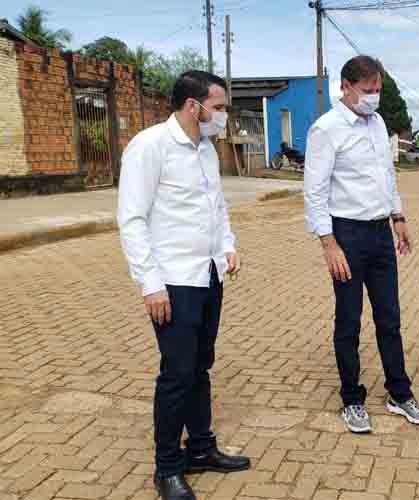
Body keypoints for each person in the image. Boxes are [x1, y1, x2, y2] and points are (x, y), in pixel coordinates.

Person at [118, 70, 250, 500]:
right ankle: (167, 468)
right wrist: (150, 284)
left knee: (200, 367)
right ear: (194, 106)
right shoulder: (150, 146)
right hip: (172, 281)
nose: (224, 115)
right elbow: (132, 220)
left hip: (208, 275)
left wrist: (226, 246)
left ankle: (201, 448)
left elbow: (217, 207)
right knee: (176, 374)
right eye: (219, 107)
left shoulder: (206, 150)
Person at [304, 55, 419, 434]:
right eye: (367, 91)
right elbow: (314, 192)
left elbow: (387, 176)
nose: (373, 98)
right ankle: (352, 399)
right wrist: (329, 244)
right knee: (349, 320)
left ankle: (399, 392)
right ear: (344, 86)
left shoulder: (378, 124)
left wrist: (399, 217)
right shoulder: (326, 130)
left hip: (379, 233)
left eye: (378, 91)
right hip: (347, 235)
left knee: (389, 318)